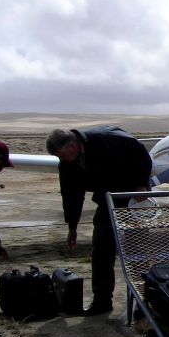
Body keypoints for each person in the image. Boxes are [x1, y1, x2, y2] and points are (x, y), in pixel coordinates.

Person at [46, 126, 152, 316]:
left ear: (72, 146)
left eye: (61, 155)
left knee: (137, 251)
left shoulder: (107, 140)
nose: (61, 160)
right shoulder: (67, 164)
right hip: (107, 201)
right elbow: (71, 195)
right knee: (101, 248)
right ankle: (102, 301)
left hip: (133, 198)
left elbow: (140, 151)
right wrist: (72, 226)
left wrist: (141, 183)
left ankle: (143, 303)